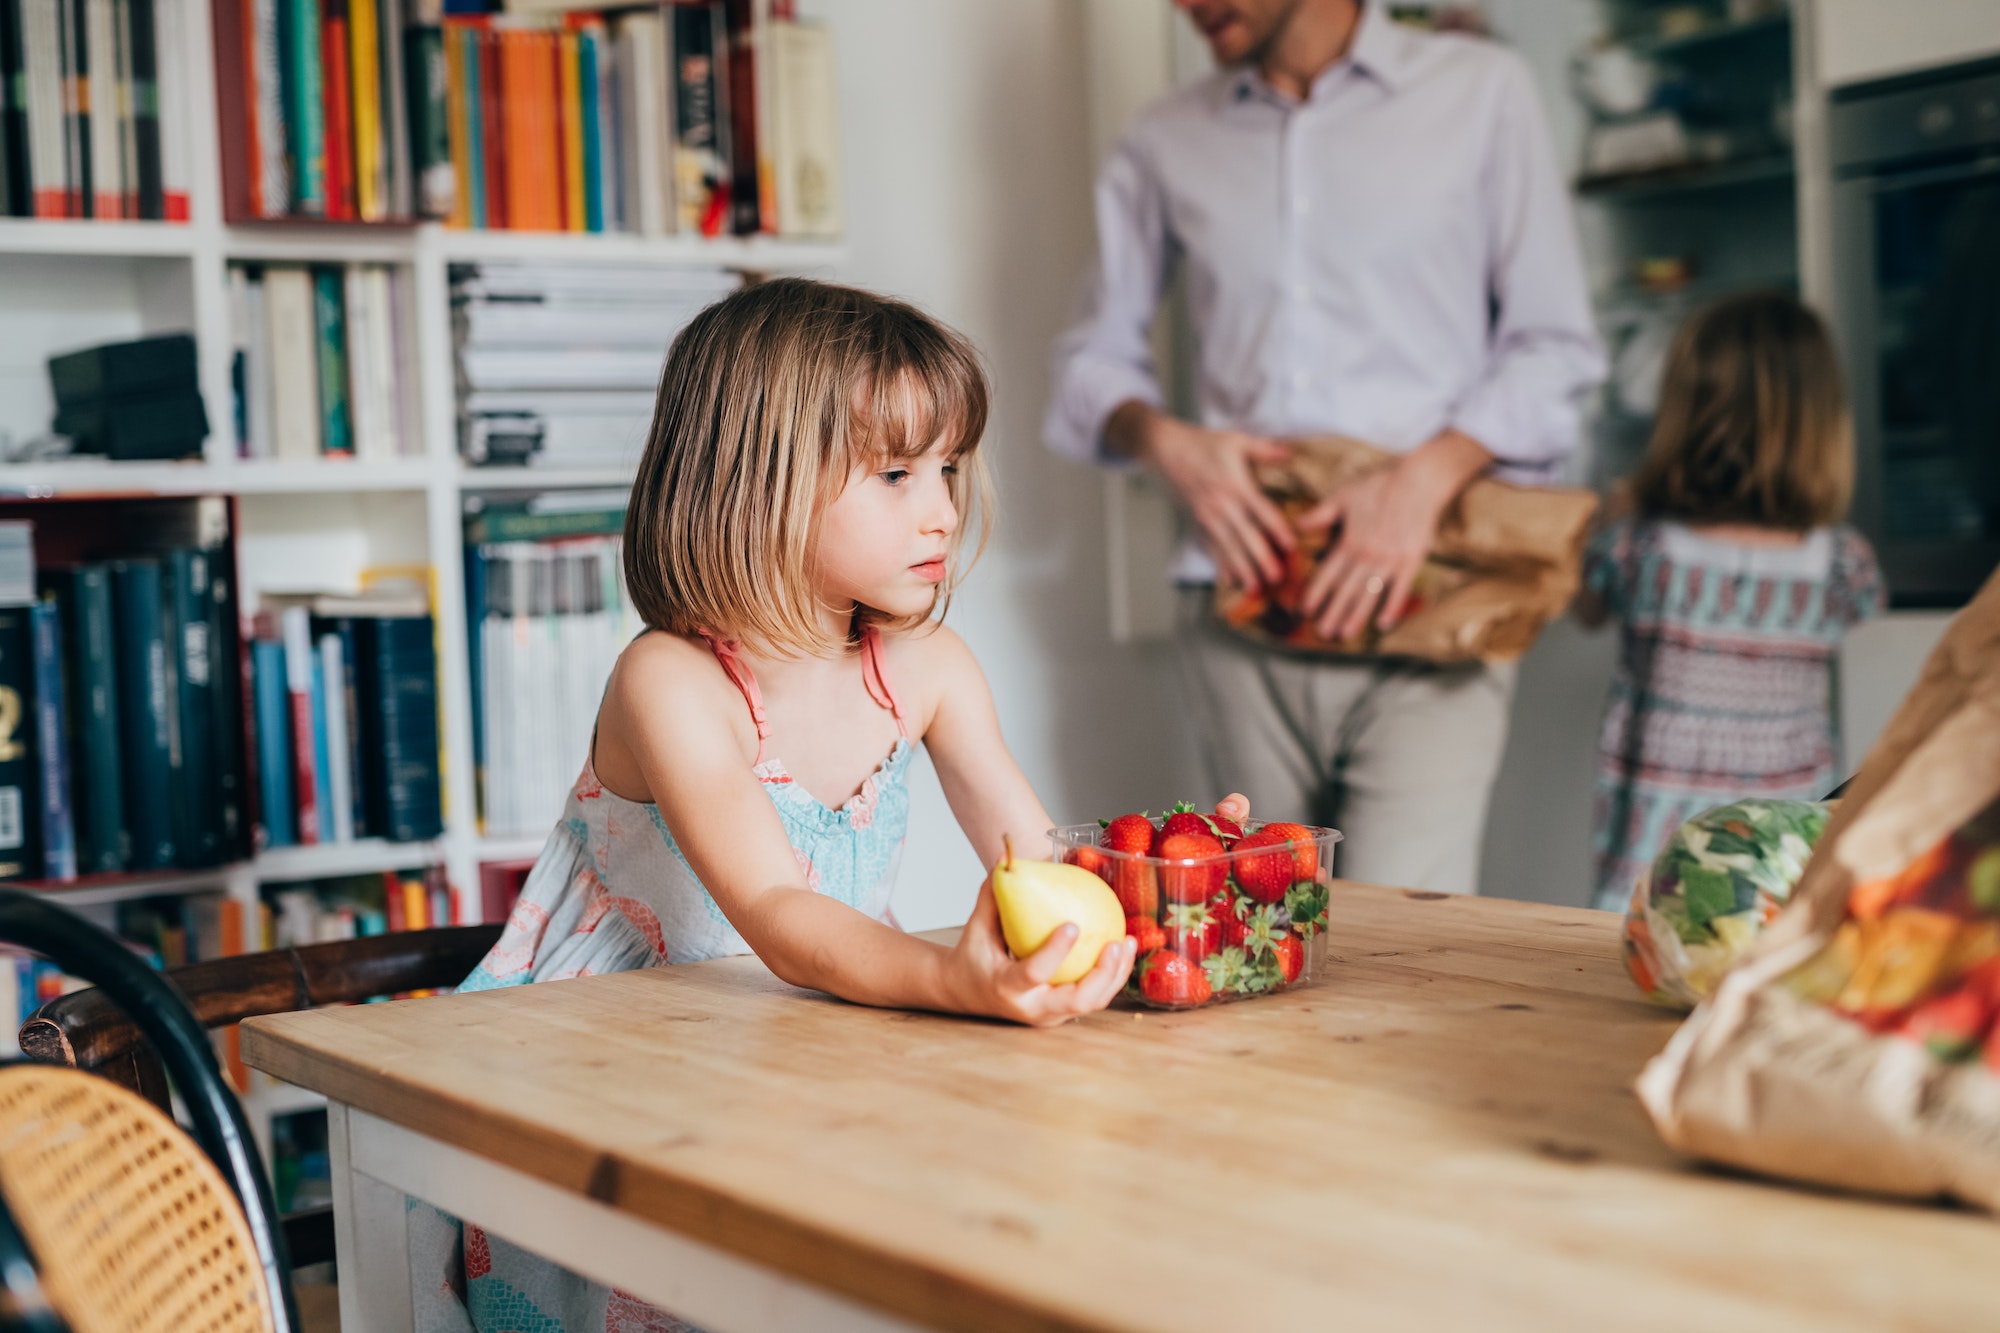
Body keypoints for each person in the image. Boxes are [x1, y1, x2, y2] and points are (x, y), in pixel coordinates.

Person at [412, 278, 1248, 1331]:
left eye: (946, 467)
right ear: (752, 485)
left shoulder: (928, 669)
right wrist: (951, 976)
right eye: (896, 473)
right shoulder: (670, 681)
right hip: (609, 1070)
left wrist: (1184, 870)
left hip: (800, 1039)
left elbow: (1040, 860)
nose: (942, 508)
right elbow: (777, 912)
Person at [1044, 0, 1604, 895]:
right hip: (1242, 617)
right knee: (1266, 936)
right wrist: (1168, 441)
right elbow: (1087, 364)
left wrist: (1425, 477)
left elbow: (1555, 348)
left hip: (1437, 605)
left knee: (1399, 952)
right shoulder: (1165, 139)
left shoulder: (1480, 93)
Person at [1576, 291, 1884, 911]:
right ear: (1822, 422)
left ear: (1685, 414)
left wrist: (1610, 509)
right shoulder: (1843, 564)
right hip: (1779, 846)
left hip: (1652, 857)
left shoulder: (1642, 547)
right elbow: (1862, 617)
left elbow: (1585, 608)